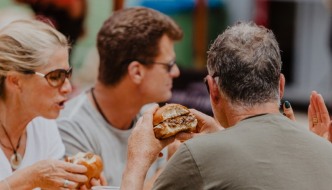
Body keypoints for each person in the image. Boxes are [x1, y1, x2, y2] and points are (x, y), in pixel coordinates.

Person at [121, 21, 332, 190]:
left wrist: (136, 162)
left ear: (213, 89)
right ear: (281, 86)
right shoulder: (327, 153)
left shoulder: (196, 155)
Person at [57, 7, 183, 187]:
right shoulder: (70, 128)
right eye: (169, 65)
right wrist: (173, 168)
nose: (176, 72)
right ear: (136, 72)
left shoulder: (149, 113)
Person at [0, 19, 103, 189]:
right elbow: (36, 177)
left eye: (68, 74)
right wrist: (31, 178)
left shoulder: (44, 124)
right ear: (15, 81)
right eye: (55, 77)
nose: (68, 88)